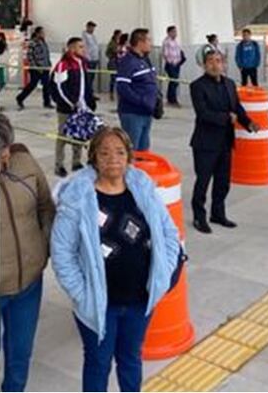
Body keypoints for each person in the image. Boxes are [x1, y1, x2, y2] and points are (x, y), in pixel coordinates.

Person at [50, 127, 181, 393]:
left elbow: (168, 233)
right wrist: (82, 294)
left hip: (139, 300)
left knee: (131, 361)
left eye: (120, 152)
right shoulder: (78, 197)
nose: (113, 158)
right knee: (98, 363)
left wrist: (163, 274)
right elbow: (62, 253)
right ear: (94, 157)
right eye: (105, 152)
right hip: (99, 304)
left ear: (129, 156)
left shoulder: (142, 187)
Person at [0, 114, 56, 392]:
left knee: (19, 358)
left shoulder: (24, 161)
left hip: (28, 285)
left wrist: (42, 245)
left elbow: (46, 206)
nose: (2, 157)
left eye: (3, 148)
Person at [189, 50, 258, 234]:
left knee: (223, 182)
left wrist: (248, 122)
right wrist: (227, 117)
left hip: (225, 141)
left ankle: (218, 214)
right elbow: (203, 113)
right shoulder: (197, 86)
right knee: (203, 181)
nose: (214, 64)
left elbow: (237, 107)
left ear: (224, 64)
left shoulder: (229, 83)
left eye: (218, 61)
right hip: (205, 143)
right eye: (210, 61)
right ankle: (199, 217)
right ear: (204, 65)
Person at [50, 37, 96, 177]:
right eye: (80, 47)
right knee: (63, 137)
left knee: (80, 136)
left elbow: (86, 85)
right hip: (67, 109)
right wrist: (70, 104)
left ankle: (76, 162)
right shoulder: (63, 65)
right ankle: (59, 165)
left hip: (82, 108)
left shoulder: (82, 64)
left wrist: (90, 101)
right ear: (72, 48)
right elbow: (58, 87)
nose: (84, 49)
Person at [115, 29, 157, 152]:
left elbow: (151, 82)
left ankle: (140, 171)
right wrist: (141, 101)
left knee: (144, 151)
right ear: (140, 42)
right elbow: (122, 87)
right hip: (133, 114)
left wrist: (156, 100)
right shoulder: (128, 62)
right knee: (132, 150)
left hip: (146, 113)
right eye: (148, 40)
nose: (151, 43)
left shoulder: (145, 60)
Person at [15, 27, 52, 111]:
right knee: (32, 85)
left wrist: (48, 64)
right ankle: (20, 98)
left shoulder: (43, 42)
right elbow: (30, 56)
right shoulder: (33, 43)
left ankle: (47, 102)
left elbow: (46, 54)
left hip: (45, 67)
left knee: (46, 85)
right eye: (42, 32)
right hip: (36, 68)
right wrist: (35, 67)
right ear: (37, 33)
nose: (44, 34)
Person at [161, 25, 186, 107]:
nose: (175, 33)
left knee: (175, 82)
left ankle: (172, 99)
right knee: (174, 82)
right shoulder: (166, 41)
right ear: (169, 32)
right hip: (171, 64)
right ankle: (172, 100)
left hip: (177, 63)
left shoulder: (176, 41)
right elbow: (165, 53)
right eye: (174, 32)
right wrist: (171, 62)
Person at [82, 21, 102, 94]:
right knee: (88, 78)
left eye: (93, 28)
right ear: (88, 27)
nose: (93, 29)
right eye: (91, 27)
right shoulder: (85, 36)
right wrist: (88, 58)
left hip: (95, 59)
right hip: (89, 60)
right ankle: (87, 93)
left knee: (92, 78)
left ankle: (90, 92)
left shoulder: (93, 36)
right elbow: (85, 48)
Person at [105, 30, 122, 101]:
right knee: (113, 79)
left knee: (119, 79)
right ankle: (111, 93)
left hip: (119, 62)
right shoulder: (112, 43)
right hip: (113, 62)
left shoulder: (120, 43)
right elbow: (110, 51)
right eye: (119, 35)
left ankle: (119, 94)